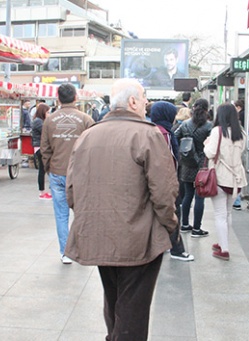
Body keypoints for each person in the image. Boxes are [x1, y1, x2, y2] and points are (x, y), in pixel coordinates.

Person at [65, 79, 178, 340]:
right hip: (139, 237)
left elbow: (71, 190)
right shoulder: (148, 134)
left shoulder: (88, 135)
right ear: (132, 102)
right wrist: (170, 224)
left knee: (114, 298)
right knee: (134, 308)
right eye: (144, 97)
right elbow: (164, 192)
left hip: (98, 234)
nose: (146, 102)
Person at [41, 83, 94, 264]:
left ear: (58, 98)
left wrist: (49, 167)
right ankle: (81, 248)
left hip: (57, 171)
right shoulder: (86, 119)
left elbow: (45, 149)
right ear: (76, 98)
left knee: (61, 214)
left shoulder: (49, 120)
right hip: (80, 173)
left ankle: (65, 252)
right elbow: (93, 147)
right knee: (81, 213)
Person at [150, 101, 194, 261]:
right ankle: (177, 249)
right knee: (174, 213)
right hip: (165, 182)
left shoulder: (153, 130)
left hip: (155, 181)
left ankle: (162, 246)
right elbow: (171, 159)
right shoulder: (165, 134)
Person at [204, 104, 248, 261]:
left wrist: (206, 143)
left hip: (221, 176)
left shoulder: (217, 132)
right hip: (237, 177)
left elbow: (210, 153)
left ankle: (224, 249)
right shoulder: (241, 132)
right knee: (228, 213)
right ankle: (223, 243)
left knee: (220, 214)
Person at [175, 98, 213, 238]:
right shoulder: (209, 126)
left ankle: (184, 224)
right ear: (206, 109)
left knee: (187, 195)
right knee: (199, 197)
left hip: (186, 163)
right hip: (202, 164)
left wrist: (183, 150)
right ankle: (197, 228)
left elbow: (175, 136)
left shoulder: (185, 124)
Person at [31, 103, 52, 200]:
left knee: (43, 170)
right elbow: (47, 133)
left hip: (40, 147)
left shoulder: (40, 121)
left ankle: (43, 191)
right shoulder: (38, 122)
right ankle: (42, 192)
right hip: (40, 148)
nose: (49, 114)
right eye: (47, 112)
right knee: (43, 170)